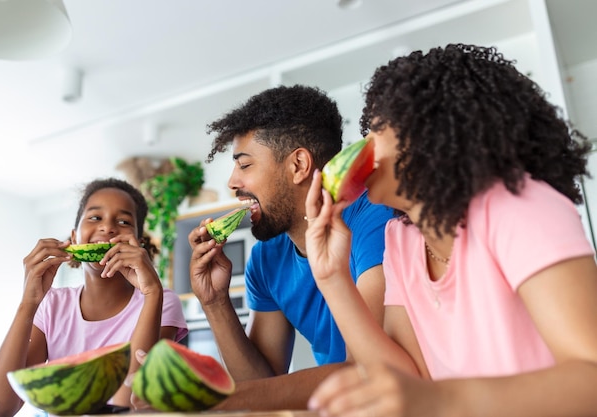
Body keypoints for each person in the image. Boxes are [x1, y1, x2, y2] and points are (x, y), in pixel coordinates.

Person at [303, 43, 597, 417]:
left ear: (434, 128)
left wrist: (441, 400)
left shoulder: (519, 206)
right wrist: (331, 277)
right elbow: (406, 380)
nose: (363, 145)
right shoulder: (401, 241)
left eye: (377, 128)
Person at [187, 84, 395, 409]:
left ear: (298, 165)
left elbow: (368, 371)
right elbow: (261, 386)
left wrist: (216, 399)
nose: (231, 182)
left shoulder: (376, 219)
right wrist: (213, 301)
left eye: (244, 165)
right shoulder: (266, 259)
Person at [0, 177, 187, 417]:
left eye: (123, 221)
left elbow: (127, 405)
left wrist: (152, 292)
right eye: (95, 217)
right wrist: (29, 303)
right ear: (74, 237)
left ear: (138, 242)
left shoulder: (161, 300)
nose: (107, 227)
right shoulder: (53, 305)